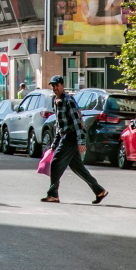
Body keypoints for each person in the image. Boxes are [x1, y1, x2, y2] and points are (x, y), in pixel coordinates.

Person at [42, 75, 107, 204]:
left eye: (56, 85)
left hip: (71, 136)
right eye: (52, 86)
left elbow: (77, 122)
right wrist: (54, 145)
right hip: (65, 136)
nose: (54, 88)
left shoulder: (68, 100)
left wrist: (81, 141)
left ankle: (53, 194)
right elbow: (59, 125)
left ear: (62, 85)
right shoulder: (56, 101)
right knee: (77, 167)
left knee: (56, 162)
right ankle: (99, 191)